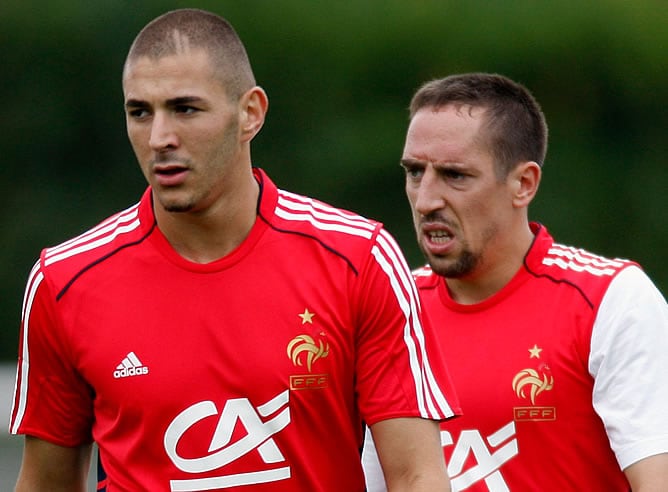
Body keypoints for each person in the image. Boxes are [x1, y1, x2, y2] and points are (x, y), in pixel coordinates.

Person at [8, 9, 461, 491]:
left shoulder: (358, 259)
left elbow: (417, 476)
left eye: (185, 109)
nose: (160, 138)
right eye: (140, 112)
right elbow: (45, 483)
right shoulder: (65, 281)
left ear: (251, 113)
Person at [362, 72, 668, 491]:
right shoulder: (390, 308)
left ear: (523, 184)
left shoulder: (612, 300)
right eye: (415, 172)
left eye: (455, 175)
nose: (427, 199)